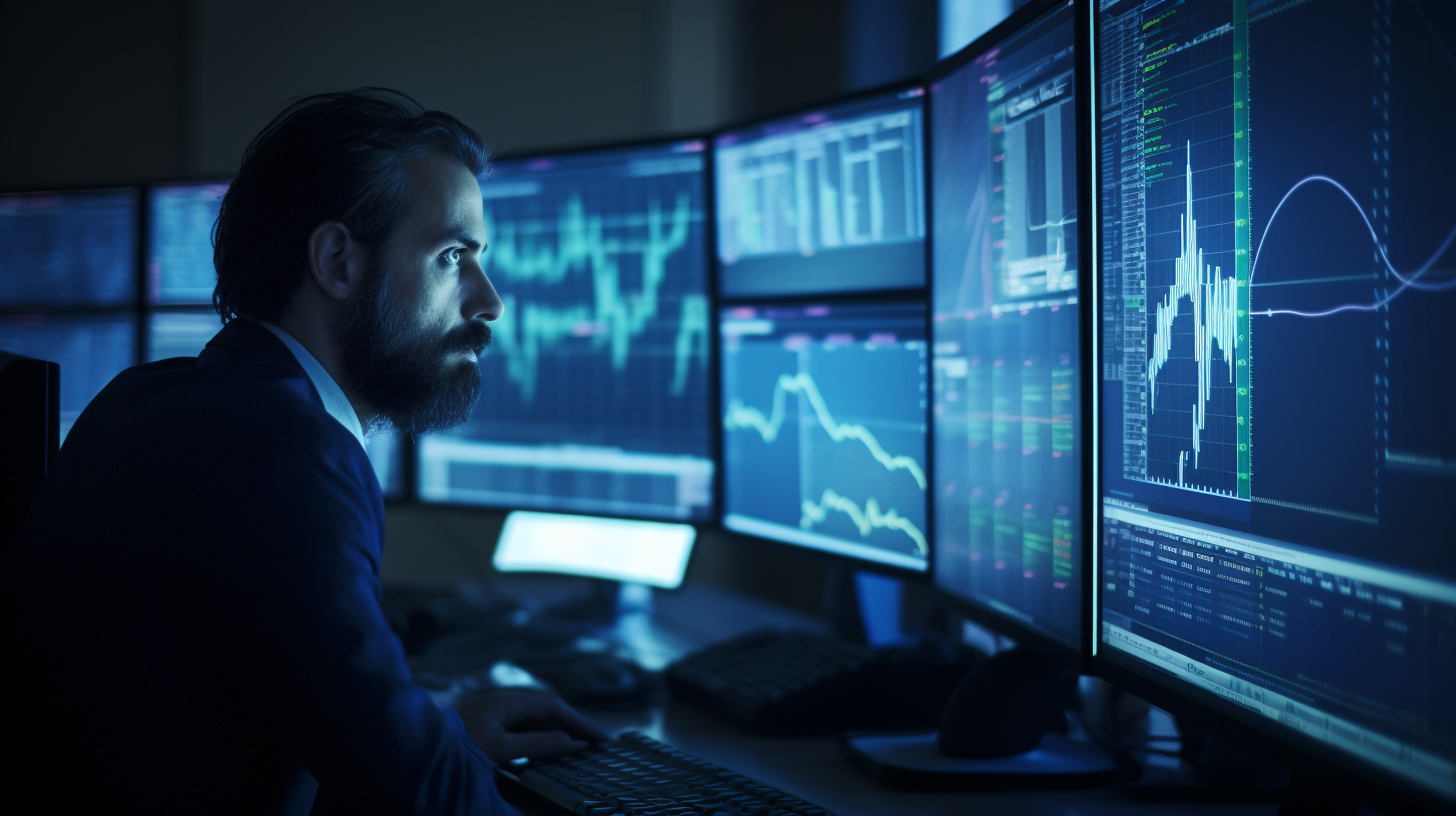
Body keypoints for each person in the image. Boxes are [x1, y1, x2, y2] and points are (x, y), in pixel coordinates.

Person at [1, 88, 606, 815]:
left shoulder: (145, 397)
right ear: (337, 262)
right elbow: (419, 795)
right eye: (453, 257)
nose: (488, 302)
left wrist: (439, 733)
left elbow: (301, 719)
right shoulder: (282, 450)